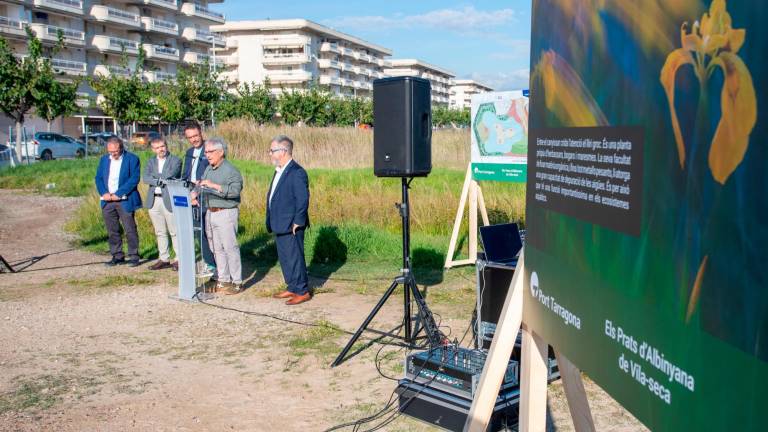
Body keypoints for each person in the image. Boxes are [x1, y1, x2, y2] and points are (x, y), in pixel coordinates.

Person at [191, 138, 243, 294]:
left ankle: (237, 282)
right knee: (217, 249)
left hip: (225, 212)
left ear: (221, 152)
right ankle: (223, 279)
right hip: (210, 212)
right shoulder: (208, 168)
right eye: (206, 152)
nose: (207, 155)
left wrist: (214, 185)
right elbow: (201, 185)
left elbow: (235, 191)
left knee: (229, 248)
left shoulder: (230, 170)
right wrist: (194, 194)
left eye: (211, 151)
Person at [266, 135, 311, 305]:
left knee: (294, 257)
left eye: (272, 151)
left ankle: (302, 290)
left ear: (283, 151)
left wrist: (298, 221)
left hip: (291, 224)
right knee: (285, 257)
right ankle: (292, 286)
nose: (270, 154)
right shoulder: (280, 170)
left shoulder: (297, 172)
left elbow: (302, 199)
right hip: (279, 222)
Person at [94, 137, 142, 267]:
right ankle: (117, 255)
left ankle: (134, 255)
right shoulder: (104, 160)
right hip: (107, 200)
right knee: (112, 229)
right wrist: (104, 193)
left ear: (121, 148)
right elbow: (98, 178)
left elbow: (134, 179)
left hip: (125, 200)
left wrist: (119, 194)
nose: (113, 154)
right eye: (110, 151)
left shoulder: (132, 159)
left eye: (115, 151)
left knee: (130, 228)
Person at [142, 136, 182, 271]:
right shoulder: (150, 162)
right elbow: (145, 178)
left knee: (174, 231)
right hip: (154, 200)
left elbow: (170, 175)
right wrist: (156, 180)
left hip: (169, 199)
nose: (161, 149)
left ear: (166, 146)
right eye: (158, 148)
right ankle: (164, 258)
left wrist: (156, 177)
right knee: (160, 231)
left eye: (163, 146)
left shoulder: (176, 160)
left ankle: (178, 259)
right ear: (153, 149)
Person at [182, 123, 215, 274]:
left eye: (195, 136)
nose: (194, 139)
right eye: (190, 137)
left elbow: (212, 173)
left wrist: (197, 191)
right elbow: (186, 176)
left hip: (206, 196)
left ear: (201, 133)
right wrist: (189, 194)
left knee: (209, 232)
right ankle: (208, 262)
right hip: (191, 198)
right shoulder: (189, 153)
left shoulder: (210, 149)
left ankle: (214, 264)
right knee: (198, 232)